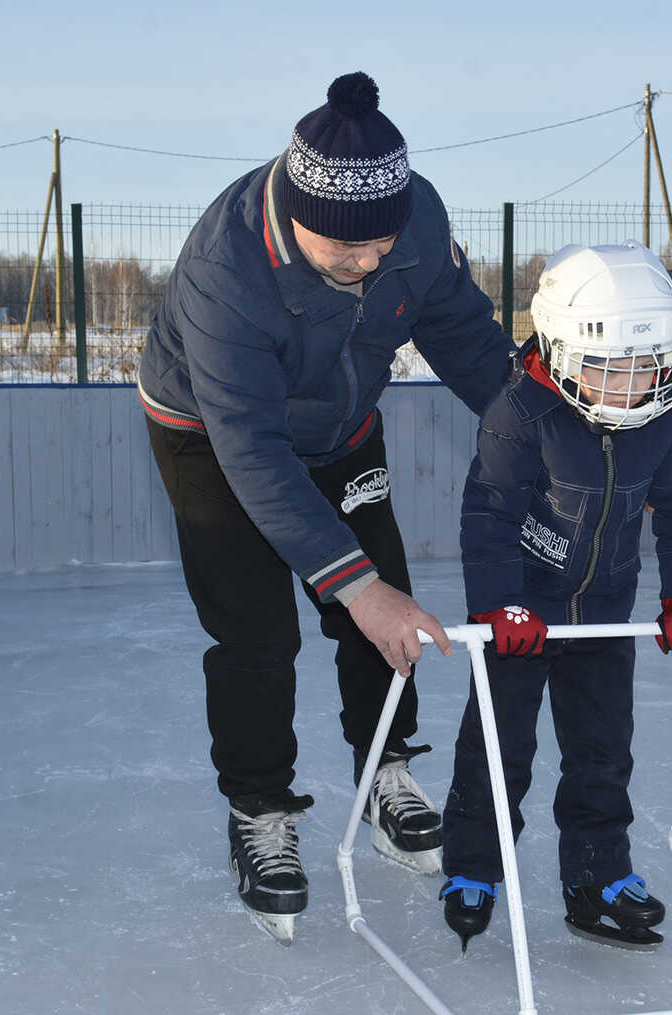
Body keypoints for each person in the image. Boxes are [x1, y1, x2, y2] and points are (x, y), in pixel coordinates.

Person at [138, 72, 516, 944]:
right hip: (210, 432)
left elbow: (462, 337)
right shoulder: (225, 270)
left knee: (383, 618)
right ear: (293, 210)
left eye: (383, 242)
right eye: (345, 249)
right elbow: (254, 455)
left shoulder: (413, 217)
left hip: (341, 426)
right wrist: (354, 582)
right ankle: (260, 808)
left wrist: (546, 437)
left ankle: (385, 771)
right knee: (258, 632)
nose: (371, 260)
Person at [437, 242, 672, 952]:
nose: (629, 389)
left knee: (602, 754)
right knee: (498, 748)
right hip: (520, 618)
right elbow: (490, 516)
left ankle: (596, 876)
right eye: (606, 370)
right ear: (563, 353)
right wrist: (500, 605)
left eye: (644, 368)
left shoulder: (668, 421)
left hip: (601, 615)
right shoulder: (520, 414)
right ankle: (473, 866)